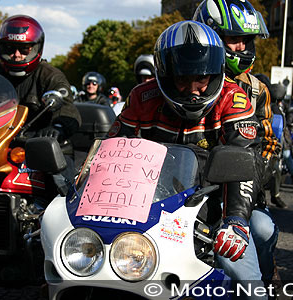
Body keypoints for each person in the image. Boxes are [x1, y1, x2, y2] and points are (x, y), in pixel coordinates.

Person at [108, 20, 265, 296]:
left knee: (244, 277)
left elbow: (244, 160)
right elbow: (113, 151)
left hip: (215, 208)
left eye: (202, 78)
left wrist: (236, 221)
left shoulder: (234, 99)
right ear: (166, 75)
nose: (193, 89)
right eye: (183, 79)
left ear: (215, 73)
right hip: (146, 208)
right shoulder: (141, 98)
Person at [193, 0, 280, 292]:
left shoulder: (257, 89)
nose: (241, 47)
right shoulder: (179, 78)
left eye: (246, 40)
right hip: (184, 188)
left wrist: (254, 171)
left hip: (239, 191)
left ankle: (265, 284)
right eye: (233, 39)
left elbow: (270, 142)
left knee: (263, 229)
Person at [0, 15, 81, 189]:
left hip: (45, 148)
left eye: (24, 50)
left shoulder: (50, 75)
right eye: (10, 48)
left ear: (36, 48)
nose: (16, 55)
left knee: (63, 192)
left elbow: (67, 107)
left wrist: (58, 128)